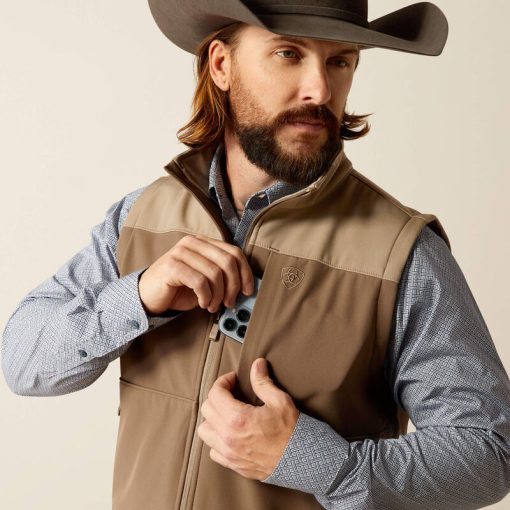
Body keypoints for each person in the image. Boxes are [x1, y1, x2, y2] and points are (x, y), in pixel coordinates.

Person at [2, 1, 510, 509]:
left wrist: (321, 463)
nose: (320, 90)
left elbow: (490, 453)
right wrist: (137, 298)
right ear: (221, 65)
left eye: (340, 60)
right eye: (289, 54)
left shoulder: (401, 254)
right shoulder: (140, 217)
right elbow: (23, 362)